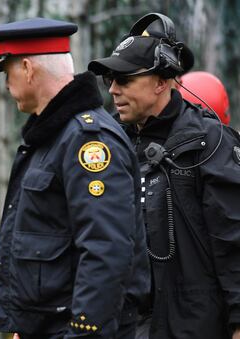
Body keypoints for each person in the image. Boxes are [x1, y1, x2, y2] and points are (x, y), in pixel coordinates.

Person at [0, 17, 150, 339]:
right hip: (47, 326)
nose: (6, 85)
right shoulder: (53, 136)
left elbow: (106, 249)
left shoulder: (88, 142)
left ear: (28, 69)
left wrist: (84, 331)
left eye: (8, 72)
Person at [88, 12, 240, 339]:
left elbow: (233, 240)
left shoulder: (209, 143)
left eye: (124, 79)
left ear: (160, 82)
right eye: (109, 80)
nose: (113, 90)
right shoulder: (106, 145)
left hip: (195, 326)